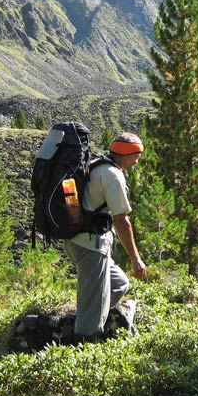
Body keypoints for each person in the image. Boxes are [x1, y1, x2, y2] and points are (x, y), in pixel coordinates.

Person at [64, 131, 148, 341]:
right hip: (91, 246)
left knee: (119, 283)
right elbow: (121, 220)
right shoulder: (112, 175)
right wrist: (135, 259)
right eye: (136, 156)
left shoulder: (95, 165)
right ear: (126, 154)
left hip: (78, 242)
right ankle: (83, 341)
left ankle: (87, 315)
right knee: (90, 322)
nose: (136, 162)